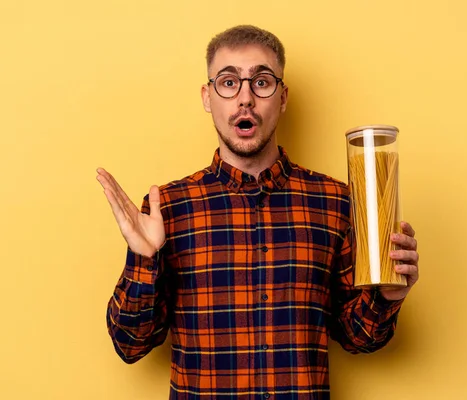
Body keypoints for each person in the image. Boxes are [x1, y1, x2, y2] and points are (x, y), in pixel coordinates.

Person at [97, 25, 419, 400]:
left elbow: (358, 338)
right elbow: (129, 344)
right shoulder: (166, 208)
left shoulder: (336, 203)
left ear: (282, 98)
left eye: (261, 82)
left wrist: (390, 295)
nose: (245, 98)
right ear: (207, 96)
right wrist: (144, 261)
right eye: (229, 82)